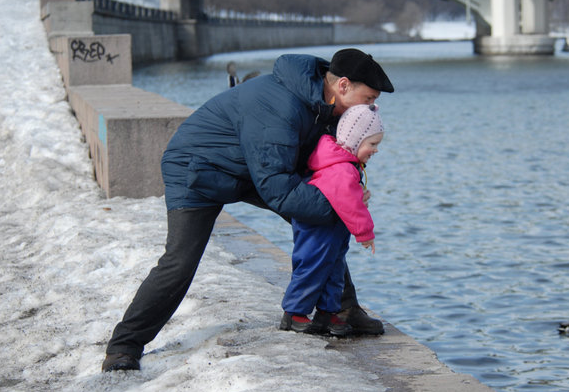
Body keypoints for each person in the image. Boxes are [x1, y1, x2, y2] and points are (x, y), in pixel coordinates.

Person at [102, 48, 394, 372]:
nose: (370, 108)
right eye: (368, 99)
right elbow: (279, 190)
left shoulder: (323, 105)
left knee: (325, 225)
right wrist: (339, 205)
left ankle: (343, 310)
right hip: (197, 169)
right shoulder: (280, 106)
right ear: (342, 86)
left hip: (251, 169)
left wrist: (346, 196)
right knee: (179, 262)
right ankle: (124, 347)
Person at [280, 104, 384, 337]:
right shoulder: (342, 169)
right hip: (319, 230)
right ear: (355, 141)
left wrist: (359, 194)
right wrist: (365, 233)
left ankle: (327, 312)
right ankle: (294, 312)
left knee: (334, 269)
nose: (375, 150)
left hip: (333, 231)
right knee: (312, 266)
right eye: (372, 144)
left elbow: (347, 196)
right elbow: (348, 203)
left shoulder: (345, 166)